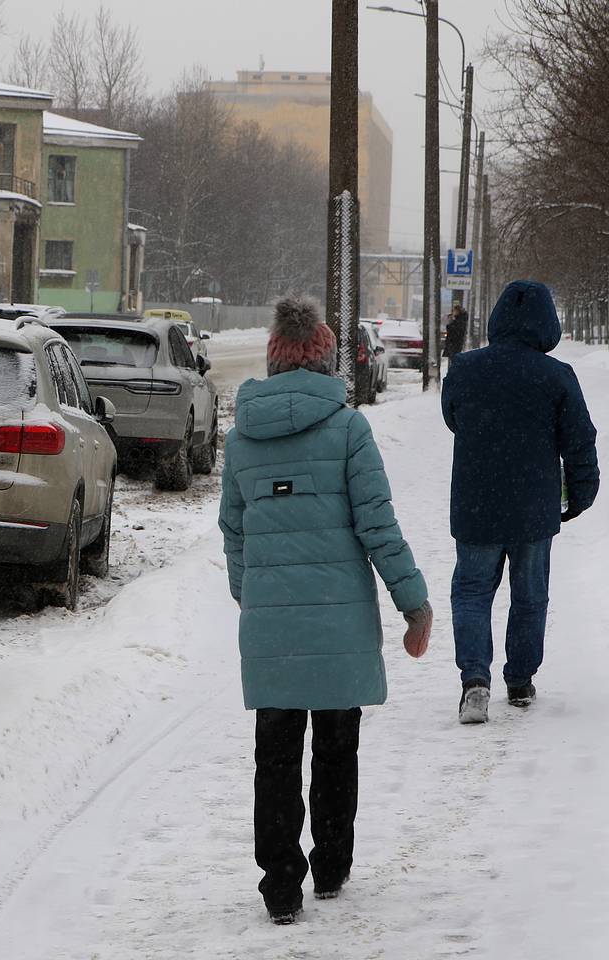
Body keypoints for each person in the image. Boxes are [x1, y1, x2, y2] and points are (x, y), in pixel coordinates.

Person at [219, 297, 432, 925]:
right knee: (338, 747)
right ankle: (332, 863)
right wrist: (412, 603)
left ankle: (281, 882)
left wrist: (250, 595)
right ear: (324, 360)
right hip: (339, 625)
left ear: (274, 361)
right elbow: (378, 526)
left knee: (276, 754)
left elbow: (234, 532)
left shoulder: (241, 440)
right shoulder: (348, 430)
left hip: (273, 626)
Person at [441, 279, 599, 723]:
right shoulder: (557, 377)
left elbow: (453, 419)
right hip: (534, 505)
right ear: (548, 322)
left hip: (476, 502)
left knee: (471, 591)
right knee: (530, 595)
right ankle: (520, 680)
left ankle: (474, 681)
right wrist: (581, 494)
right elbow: (580, 442)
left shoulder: (465, 368)